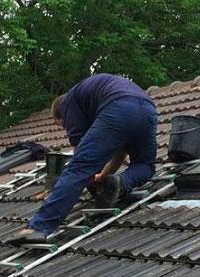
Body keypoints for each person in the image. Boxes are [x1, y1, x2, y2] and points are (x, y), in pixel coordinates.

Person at [8, 73, 158, 246]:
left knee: (77, 169)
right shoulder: (94, 96)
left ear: (61, 115)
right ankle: (123, 183)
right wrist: (106, 177)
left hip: (118, 107)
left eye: (64, 126)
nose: (68, 129)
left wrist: (89, 179)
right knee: (145, 165)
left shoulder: (69, 103)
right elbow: (121, 152)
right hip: (148, 108)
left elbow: (82, 160)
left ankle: (39, 227)